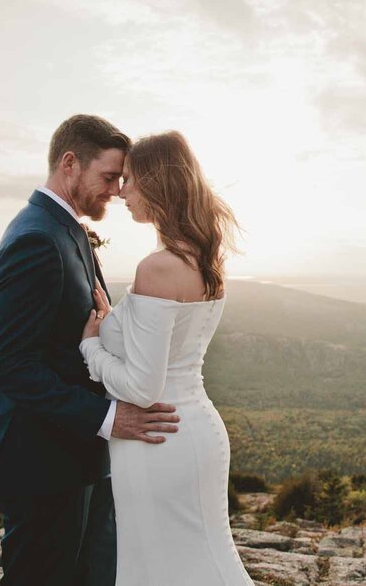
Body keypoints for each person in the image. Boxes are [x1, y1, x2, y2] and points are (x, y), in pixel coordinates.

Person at [0, 115, 181, 586]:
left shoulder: (66, 228)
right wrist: (108, 418)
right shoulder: (36, 239)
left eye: (121, 180)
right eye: (108, 177)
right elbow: (8, 366)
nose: (116, 190)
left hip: (73, 453)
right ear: (69, 164)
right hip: (40, 461)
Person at [78, 130, 251, 585]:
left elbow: (142, 387)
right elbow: (168, 348)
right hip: (194, 429)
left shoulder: (156, 268)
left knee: (158, 568)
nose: (121, 192)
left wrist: (91, 347)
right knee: (204, 562)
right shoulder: (202, 259)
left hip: (158, 436)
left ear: (157, 184)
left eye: (131, 180)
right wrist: (119, 321)